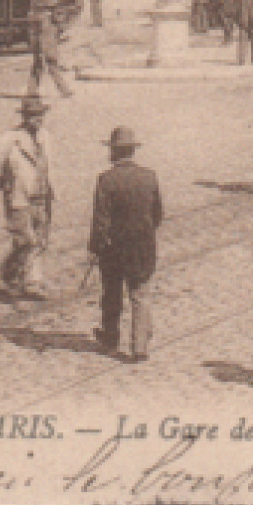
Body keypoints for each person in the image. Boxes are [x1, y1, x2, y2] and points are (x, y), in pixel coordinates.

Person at [88, 127, 163, 362]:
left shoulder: (107, 179)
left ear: (114, 151)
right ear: (132, 151)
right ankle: (139, 346)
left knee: (112, 293)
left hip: (114, 249)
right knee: (141, 294)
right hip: (142, 247)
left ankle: (110, 338)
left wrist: (96, 247)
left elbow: (101, 219)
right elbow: (158, 213)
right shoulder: (149, 176)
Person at [0, 96, 56, 299]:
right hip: (19, 197)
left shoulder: (46, 137)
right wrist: (6, 186)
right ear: (24, 117)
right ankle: (8, 275)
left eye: (40, 115)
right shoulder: (9, 138)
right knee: (25, 240)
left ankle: (33, 282)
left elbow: (49, 165)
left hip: (43, 196)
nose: (37, 120)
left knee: (40, 240)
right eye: (33, 116)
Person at [27, 1, 74, 98]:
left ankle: (32, 92)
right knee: (49, 68)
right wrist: (41, 51)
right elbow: (43, 37)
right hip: (45, 49)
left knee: (39, 69)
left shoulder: (42, 20)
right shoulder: (46, 22)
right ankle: (64, 90)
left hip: (44, 48)